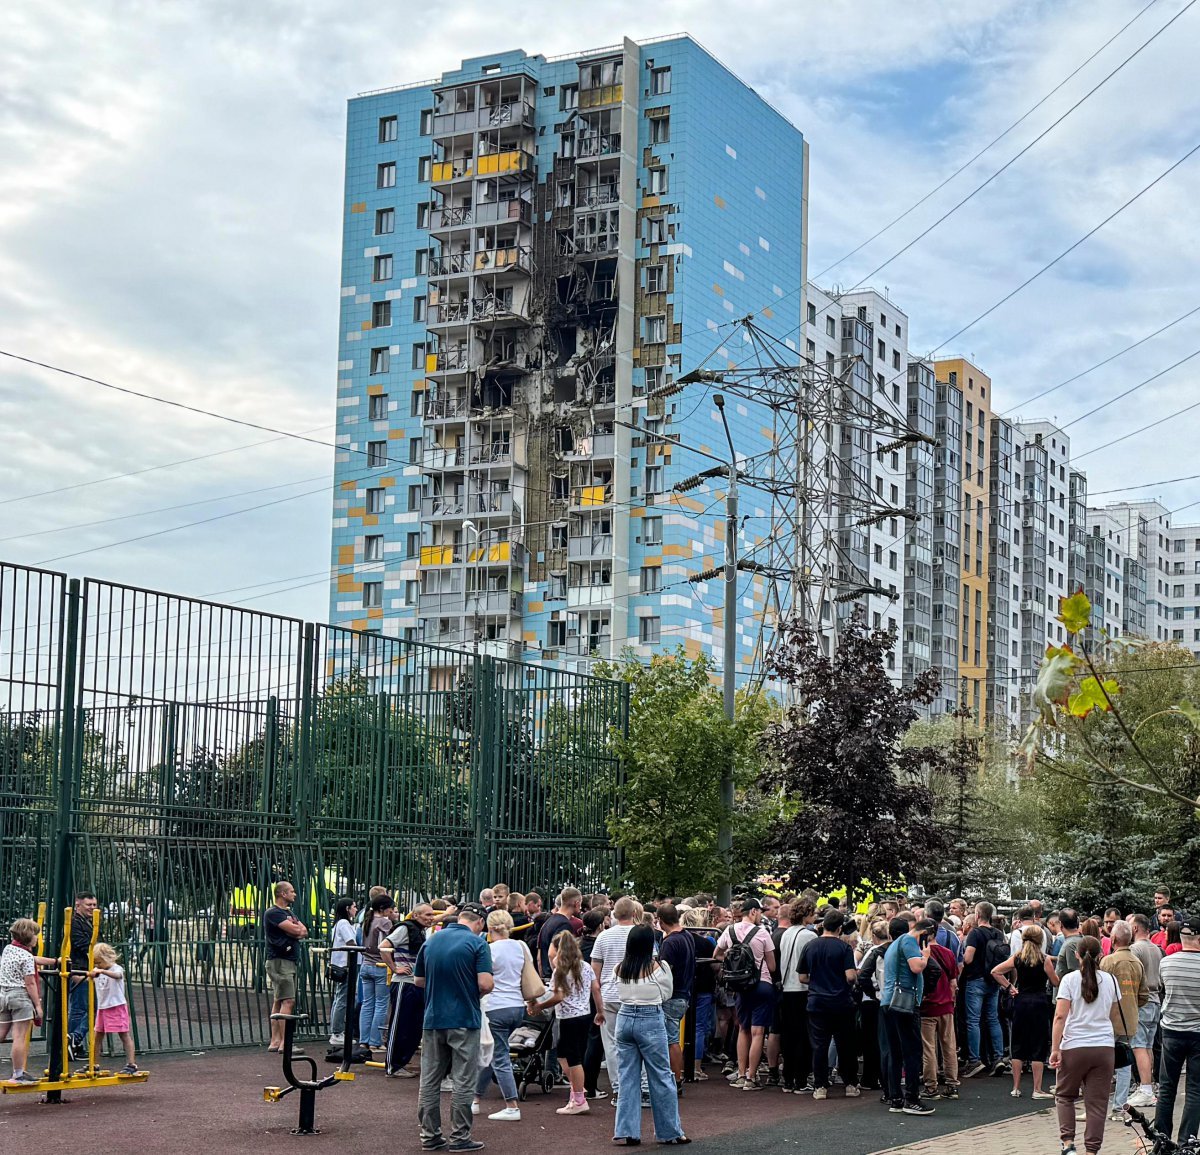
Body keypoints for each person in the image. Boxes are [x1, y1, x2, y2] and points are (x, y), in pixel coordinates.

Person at [415, 902, 494, 1153]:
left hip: (433, 1017)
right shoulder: (478, 943)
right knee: (463, 1079)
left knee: (429, 1079)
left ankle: (430, 1134)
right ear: (480, 923)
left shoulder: (431, 941)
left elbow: (419, 980)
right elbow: (485, 983)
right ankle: (460, 1136)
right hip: (463, 1018)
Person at [612, 924, 688, 1146]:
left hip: (624, 1018)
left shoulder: (619, 968)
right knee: (662, 1076)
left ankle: (627, 1130)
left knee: (627, 1077)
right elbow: (667, 994)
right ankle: (670, 1131)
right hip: (650, 1018)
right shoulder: (660, 967)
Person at [1051, 936, 1119, 1155]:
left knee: (1065, 1095)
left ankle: (1069, 1144)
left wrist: (1055, 1048)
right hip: (1104, 1047)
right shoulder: (1111, 980)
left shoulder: (1069, 980)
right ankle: (1092, 1150)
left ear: (1076, 955)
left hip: (1074, 1046)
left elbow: (1060, 1017)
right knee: (1097, 1103)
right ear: (1101, 954)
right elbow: (1114, 1014)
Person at [535, 929, 602, 1115]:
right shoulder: (585, 966)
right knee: (568, 1055)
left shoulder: (561, 970)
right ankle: (577, 1091)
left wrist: (540, 1006)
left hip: (568, 1017)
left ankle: (579, 1096)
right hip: (584, 1015)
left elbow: (558, 996)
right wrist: (600, 1011)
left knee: (572, 1058)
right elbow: (595, 988)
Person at [714, 897, 776, 1091]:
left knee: (743, 1029)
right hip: (761, 983)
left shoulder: (729, 931)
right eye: (759, 912)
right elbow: (772, 965)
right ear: (753, 912)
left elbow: (717, 954)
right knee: (758, 1032)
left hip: (740, 986)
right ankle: (752, 1077)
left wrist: (733, 963)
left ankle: (741, 1074)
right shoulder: (762, 933)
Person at [797, 908, 860, 1100]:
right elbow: (850, 976)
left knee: (819, 1045)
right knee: (846, 1044)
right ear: (840, 928)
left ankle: (820, 1086)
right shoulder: (844, 948)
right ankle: (850, 1083)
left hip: (817, 1001)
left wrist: (816, 981)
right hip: (841, 1001)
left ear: (823, 925)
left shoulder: (811, 946)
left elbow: (802, 977)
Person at [992, 924, 1058, 1099]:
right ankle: (1037, 1089)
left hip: (1021, 1001)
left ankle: (1015, 1087)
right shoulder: (1045, 960)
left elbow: (996, 971)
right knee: (1038, 1044)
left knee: (1018, 1043)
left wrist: (1009, 987)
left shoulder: (1017, 957)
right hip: (1039, 1002)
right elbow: (1055, 982)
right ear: (1041, 940)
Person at [472, 910, 526, 1121]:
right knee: (492, 1052)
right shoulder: (520, 947)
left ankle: (512, 1105)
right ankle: (474, 1099)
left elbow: (482, 979)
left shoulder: (488, 949)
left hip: (495, 1006)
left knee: (498, 1055)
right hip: (517, 1005)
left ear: (490, 927)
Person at [1153, 914, 1200, 1145]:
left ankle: (1161, 1138)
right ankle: (1187, 1141)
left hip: (1171, 1030)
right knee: (1194, 1089)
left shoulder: (1166, 963)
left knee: (1167, 1087)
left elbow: (1162, 989)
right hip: (1198, 1033)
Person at [880, 915, 934, 1116]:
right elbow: (916, 967)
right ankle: (912, 1098)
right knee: (912, 1051)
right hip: (905, 1002)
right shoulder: (909, 941)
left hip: (888, 1001)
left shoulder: (893, 944)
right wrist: (926, 955)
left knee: (895, 1052)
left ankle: (895, 1098)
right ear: (925, 933)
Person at [591, 895, 640, 1104]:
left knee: (611, 1043)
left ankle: (618, 1088)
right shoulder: (640, 935)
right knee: (636, 1042)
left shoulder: (603, 937)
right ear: (634, 913)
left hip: (609, 995)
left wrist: (598, 1004)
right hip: (634, 994)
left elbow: (595, 972)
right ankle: (635, 1085)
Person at [381, 903, 436, 1077]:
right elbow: (384, 946)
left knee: (414, 1026)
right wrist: (394, 967)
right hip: (404, 983)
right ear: (416, 915)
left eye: (432, 915)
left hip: (417, 984)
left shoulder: (420, 931)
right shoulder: (405, 929)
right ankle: (392, 1065)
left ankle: (401, 1062)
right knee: (400, 1025)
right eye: (427, 915)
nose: (431, 918)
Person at [1100, 920, 1147, 1118]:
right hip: (1130, 1019)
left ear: (1113, 939)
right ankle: (1119, 1105)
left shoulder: (1108, 962)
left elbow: (1100, 991)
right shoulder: (1137, 963)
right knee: (1124, 1063)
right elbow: (1143, 995)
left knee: (1102, 1062)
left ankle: (1098, 1104)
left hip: (1108, 1019)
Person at [1, 917, 54, 1084]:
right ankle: (18, 1074)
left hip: (3, 994)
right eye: (36, 935)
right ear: (28, 937)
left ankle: (19, 1073)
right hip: (20, 996)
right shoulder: (26, 956)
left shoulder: (9, 949)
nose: (38, 938)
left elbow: (34, 960)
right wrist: (38, 1005)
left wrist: (55, 961)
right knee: (20, 1036)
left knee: (1, 1034)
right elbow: (30, 982)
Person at [776, 899, 818, 1093]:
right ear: (806, 914)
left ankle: (788, 1079)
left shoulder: (786, 934)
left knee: (789, 1036)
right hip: (802, 988)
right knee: (803, 1036)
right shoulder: (809, 935)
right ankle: (801, 1079)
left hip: (786, 988)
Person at [961, 901, 1006, 1077]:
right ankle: (998, 1057)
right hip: (993, 979)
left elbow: (968, 959)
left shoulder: (975, 933)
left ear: (978, 915)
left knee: (973, 1020)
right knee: (993, 1019)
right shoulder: (998, 933)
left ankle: (974, 1060)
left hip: (976, 980)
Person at [265, 881, 309, 1054]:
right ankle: (285, 1042)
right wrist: (297, 931)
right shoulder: (274, 913)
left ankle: (276, 1041)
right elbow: (298, 931)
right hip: (280, 960)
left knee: (279, 999)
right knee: (288, 1000)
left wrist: (298, 930)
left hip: (287, 960)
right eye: (291, 891)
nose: (294, 894)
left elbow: (303, 930)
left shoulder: (289, 912)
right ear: (282, 894)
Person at [920, 914, 960, 1101]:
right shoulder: (948, 953)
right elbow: (953, 982)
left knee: (929, 1048)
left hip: (928, 1006)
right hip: (946, 1005)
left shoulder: (922, 954)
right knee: (949, 1046)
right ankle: (952, 1085)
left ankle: (931, 1086)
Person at [657, 904, 696, 1090]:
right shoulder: (687, 936)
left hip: (672, 995)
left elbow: (665, 972)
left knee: (671, 1040)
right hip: (684, 993)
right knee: (673, 1039)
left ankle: (675, 1079)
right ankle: (676, 1078)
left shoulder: (670, 942)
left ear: (661, 920)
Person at [1127, 913, 1163, 1109]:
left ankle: (1146, 1089)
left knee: (1139, 1045)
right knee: (1147, 1046)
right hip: (1155, 999)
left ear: (1135, 929)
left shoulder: (1135, 949)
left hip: (1142, 1001)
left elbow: (1133, 977)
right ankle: (1148, 1086)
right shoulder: (1156, 949)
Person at [89, 942, 137, 1074]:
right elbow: (87, 979)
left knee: (123, 1034)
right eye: (95, 963)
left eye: (99, 962)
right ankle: (94, 1064)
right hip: (102, 1007)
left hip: (116, 1006)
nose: (97, 966)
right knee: (97, 1035)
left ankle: (131, 1064)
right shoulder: (97, 971)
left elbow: (118, 976)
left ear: (106, 958)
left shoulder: (116, 969)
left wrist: (102, 971)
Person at [681, 907, 717, 1079]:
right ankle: (695, 1066)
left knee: (680, 1026)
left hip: (684, 987)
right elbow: (715, 966)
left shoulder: (678, 940)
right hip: (703, 988)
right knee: (700, 1027)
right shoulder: (706, 943)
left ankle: (680, 1065)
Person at [857, 919, 891, 1094]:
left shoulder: (874, 951)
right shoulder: (894, 949)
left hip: (871, 1001)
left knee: (870, 1041)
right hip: (887, 999)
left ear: (874, 935)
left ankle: (869, 1078)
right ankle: (882, 1076)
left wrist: (871, 993)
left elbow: (862, 975)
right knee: (884, 1040)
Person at [358, 893, 396, 1053]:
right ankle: (375, 1041)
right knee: (381, 1004)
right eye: (390, 909)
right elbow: (387, 944)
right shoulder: (384, 922)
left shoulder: (366, 921)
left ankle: (364, 1040)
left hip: (365, 964)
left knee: (367, 1004)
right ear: (383, 908)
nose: (391, 911)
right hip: (380, 965)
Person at [67, 891, 98, 1056]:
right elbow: (83, 945)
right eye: (89, 905)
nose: (92, 908)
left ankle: (73, 1043)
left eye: (94, 905)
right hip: (80, 969)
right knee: (85, 1008)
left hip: (84, 969)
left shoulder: (88, 921)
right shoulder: (74, 922)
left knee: (83, 1008)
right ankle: (73, 1039)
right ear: (78, 904)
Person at [328, 897, 358, 1046]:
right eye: (354, 907)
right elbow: (351, 942)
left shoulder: (338, 923)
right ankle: (337, 1032)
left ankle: (336, 1030)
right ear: (347, 909)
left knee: (340, 997)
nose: (356, 909)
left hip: (338, 964)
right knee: (343, 999)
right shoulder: (344, 923)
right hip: (345, 964)